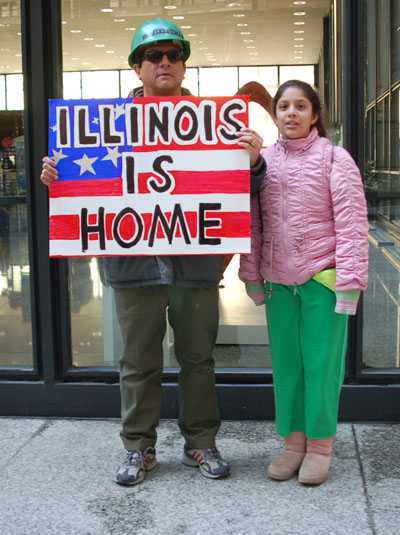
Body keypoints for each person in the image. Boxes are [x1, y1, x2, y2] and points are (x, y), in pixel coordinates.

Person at [40, 18, 264, 486]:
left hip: (195, 268)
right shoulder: (102, 128)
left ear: (183, 65)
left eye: (174, 55)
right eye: (154, 56)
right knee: (137, 361)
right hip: (132, 266)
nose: (165, 62)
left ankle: (200, 443)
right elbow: (86, 192)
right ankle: (138, 448)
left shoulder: (215, 124)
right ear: (137, 67)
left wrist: (255, 162)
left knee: (198, 358)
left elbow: (246, 188)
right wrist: (58, 178)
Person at [239, 80, 369, 485]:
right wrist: (252, 276)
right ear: (274, 114)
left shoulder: (335, 158)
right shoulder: (262, 161)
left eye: (300, 106)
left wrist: (349, 284)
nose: (291, 113)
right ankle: (293, 443)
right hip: (279, 283)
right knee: (288, 368)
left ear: (315, 115)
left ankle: (319, 447)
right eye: (283, 107)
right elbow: (251, 223)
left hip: (322, 281)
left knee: (321, 366)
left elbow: (351, 223)